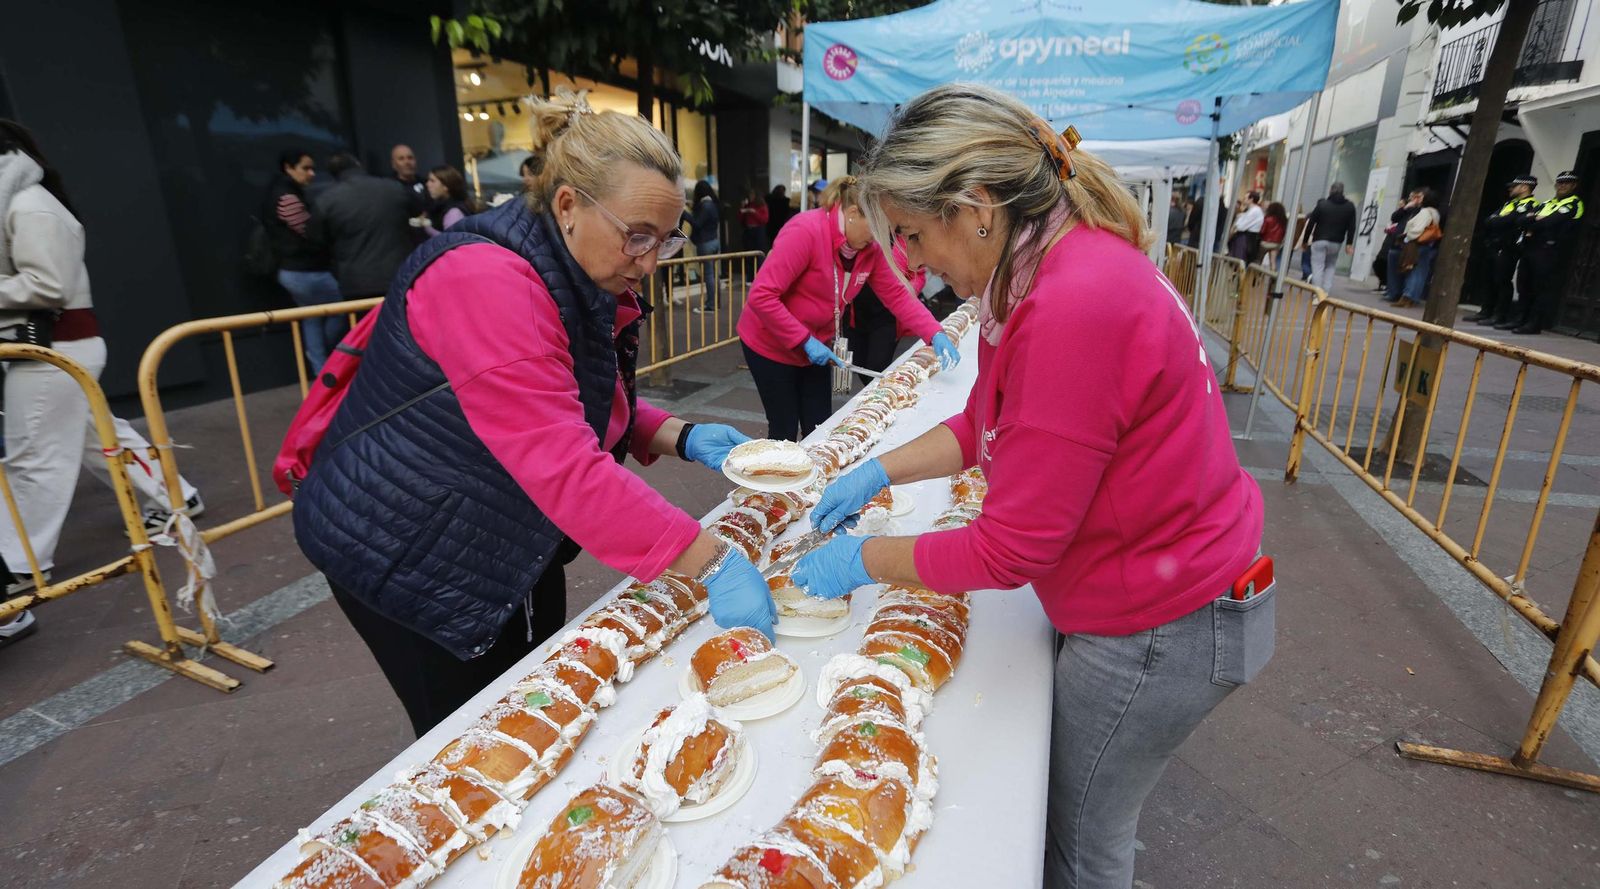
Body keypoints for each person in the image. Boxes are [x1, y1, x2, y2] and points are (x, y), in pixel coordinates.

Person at [787, 85, 1268, 889]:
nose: (912, 263)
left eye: (913, 233)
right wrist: (878, 468)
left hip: (1165, 620)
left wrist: (862, 559)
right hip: (1158, 593)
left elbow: (1011, 548)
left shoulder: (1073, 300)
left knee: (1080, 843)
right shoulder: (1045, 267)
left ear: (976, 208)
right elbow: (986, 418)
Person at [292, 92, 774, 736]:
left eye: (666, 240)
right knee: (478, 732)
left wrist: (678, 433)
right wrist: (710, 559)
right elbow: (562, 463)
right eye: (637, 235)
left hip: (492, 525)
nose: (651, 261)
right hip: (407, 545)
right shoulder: (487, 281)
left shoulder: (573, 266)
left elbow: (568, 398)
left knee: (534, 684)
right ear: (568, 205)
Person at [0, 121, 204, 631]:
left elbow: (46, 285)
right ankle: (177, 497)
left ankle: (19, 563)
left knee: (34, 458)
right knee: (99, 437)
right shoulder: (27, 201)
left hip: (52, 347)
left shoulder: (28, 204)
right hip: (57, 346)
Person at [736, 175, 959, 441]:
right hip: (770, 345)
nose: (878, 238)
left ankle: (815, 469)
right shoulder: (805, 231)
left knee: (819, 426)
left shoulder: (870, 249)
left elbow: (897, 295)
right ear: (852, 213)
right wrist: (804, 340)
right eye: (875, 228)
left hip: (815, 347)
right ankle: (779, 468)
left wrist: (934, 332)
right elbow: (761, 296)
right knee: (784, 427)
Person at [265, 148, 344, 372]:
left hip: (295, 270)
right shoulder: (287, 197)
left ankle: (321, 370)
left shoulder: (284, 193)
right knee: (341, 309)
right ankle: (328, 363)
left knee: (312, 318)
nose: (311, 174)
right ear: (289, 168)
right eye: (305, 168)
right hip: (305, 269)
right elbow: (311, 233)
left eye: (312, 168)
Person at [305, 152, 415, 299]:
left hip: (356, 282)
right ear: (358, 165)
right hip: (401, 275)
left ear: (333, 174)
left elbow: (315, 241)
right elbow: (415, 216)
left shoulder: (326, 201)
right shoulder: (395, 188)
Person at [1501, 170, 1585, 335]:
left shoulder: (1574, 203)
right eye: (1560, 182)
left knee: (1540, 288)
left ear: (1574, 185)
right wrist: (1535, 219)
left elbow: (1551, 222)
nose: (1562, 186)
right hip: (1531, 248)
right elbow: (1520, 221)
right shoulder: (1546, 203)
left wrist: (1533, 220)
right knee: (1524, 284)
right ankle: (1520, 319)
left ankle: (1534, 324)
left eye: (1567, 183)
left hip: (1550, 250)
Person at [1468, 175, 1540, 325]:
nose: (1510, 189)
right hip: (1494, 245)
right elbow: (1488, 220)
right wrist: (1500, 220)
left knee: (1502, 280)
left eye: (1514, 186)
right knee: (1488, 278)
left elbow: (1512, 221)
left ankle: (1500, 314)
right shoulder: (1509, 203)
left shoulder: (1530, 204)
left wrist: (1500, 220)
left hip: (1509, 247)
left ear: (1525, 187)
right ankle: (1486, 310)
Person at [1302, 182, 1357, 292]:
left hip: (1319, 240)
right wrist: (1349, 243)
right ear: (1343, 191)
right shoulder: (1350, 207)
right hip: (1336, 242)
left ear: (1331, 190)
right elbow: (1352, 226)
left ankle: (1317, 293)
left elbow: (1311, 223)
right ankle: (1326, 292)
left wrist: (1305, 241)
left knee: (1317, 266)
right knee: (1330, 266)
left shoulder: (1322, 205)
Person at [1392, 187, 1441, 309]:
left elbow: (1417, 230)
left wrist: (1407, 237)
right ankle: (1413, 297)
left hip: (1417, 244)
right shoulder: (1435, 213)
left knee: (1412, 270)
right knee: (1421, 271)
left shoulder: (1425, 212)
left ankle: (1407, 296)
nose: (1419, 199)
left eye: (1421, 197)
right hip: (1427, 244)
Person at [1382, 190, 1423, 302]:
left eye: (1415, 197)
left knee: (1405, 269)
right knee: (1392, 268)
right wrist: (1405, 208)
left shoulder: (1421, 211)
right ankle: (1393, 292)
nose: (1412, 200)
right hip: (1396, 242)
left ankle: (1402, 294)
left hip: (1408, 243)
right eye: (1411, 197)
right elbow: (1394, 217)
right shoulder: (1407, 209)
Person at [419, 164, 479, 237]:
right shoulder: (440, 206)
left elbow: (450, 239)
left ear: (445, 186)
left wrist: (427, 227)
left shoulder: (453, 212)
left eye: (432, 181)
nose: (427, 184)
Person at [689, 179, 722, 313]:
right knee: (714, 274)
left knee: (708, 274)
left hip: (705, 243)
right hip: (714, 241)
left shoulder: (705, 206)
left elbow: (697, 224)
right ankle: (716, 303)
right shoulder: (713, 204)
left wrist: (686, 215)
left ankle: (710, 305)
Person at [1228, 191, 1264, 262]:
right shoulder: (1251, 210)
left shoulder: (1254, 211)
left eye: (1245, 198)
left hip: (1247, 237)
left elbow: (1240, 226)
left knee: (1240, 259)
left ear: (1251, 199)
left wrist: (1236, 225)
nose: (1243, 200)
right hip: (1246, 237)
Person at [739, 186, 769, 252]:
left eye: (752, 195)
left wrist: (754, 212)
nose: (750, 197)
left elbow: (764, 220)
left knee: (759, 250)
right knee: (748, 250)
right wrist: (742, 207)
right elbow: (740, 219)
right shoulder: (747, 205)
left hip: (758, 230)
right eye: (749, 195)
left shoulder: (762, 206)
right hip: (748, 230)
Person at [1260, 201, 1288, 267]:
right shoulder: (1283, 220)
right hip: (1276, 244)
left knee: (1259, 260)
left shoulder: (1268, 219)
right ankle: (1272, 272)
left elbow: (1262, 231)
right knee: (1273, 261)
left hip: (1265, 243)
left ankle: (1258, 272)